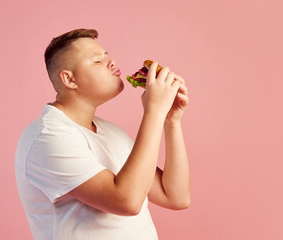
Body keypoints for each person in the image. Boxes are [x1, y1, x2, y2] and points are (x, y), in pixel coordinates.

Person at [14, 28, 191, 240]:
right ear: (69, 80)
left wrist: (171, 121)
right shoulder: (47, 136)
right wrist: (153, 112)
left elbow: (175, 196)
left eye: (107, 55)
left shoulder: (112, 132)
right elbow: (127, 201)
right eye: (97, 61)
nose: (112, 62)